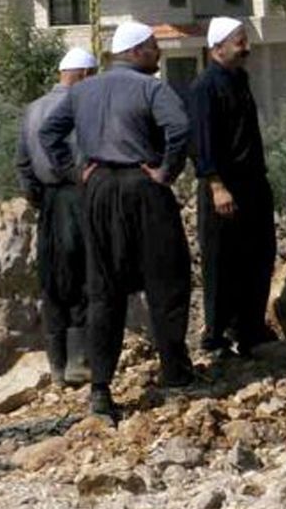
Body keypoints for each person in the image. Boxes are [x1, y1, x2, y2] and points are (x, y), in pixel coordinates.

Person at [40, 21, 195, 421]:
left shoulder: (83, 90)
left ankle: (100, 388)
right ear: (136, 51)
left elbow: (49, 133)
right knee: (167, 278)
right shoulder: (152, 89)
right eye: (154, 47)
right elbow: (179, 128)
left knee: (103, 289)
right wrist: (166, 171)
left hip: (98, 191)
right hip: (142, 186)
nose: (158, 53)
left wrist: (75, 172)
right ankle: (175, 373)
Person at [187, 17, 277, 358]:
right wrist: (216, 185)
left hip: (252, 183)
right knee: (222, 261)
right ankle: (217, 336)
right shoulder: (205, 86)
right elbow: (202, 141)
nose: (245, 48)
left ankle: (250, 329)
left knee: (258, 254)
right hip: (223, 186)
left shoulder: (240, 79)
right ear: (218, 47)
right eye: (239, 42)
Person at [16, 46, 97, 386]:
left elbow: (23, 162)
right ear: (85, 75)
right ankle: (79, 362)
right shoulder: (80, 107)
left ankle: (57, 367)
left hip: (47, 201)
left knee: (52, 279)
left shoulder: (33, 109)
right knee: (81, 274)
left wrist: (36, 197)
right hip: (76, 197)